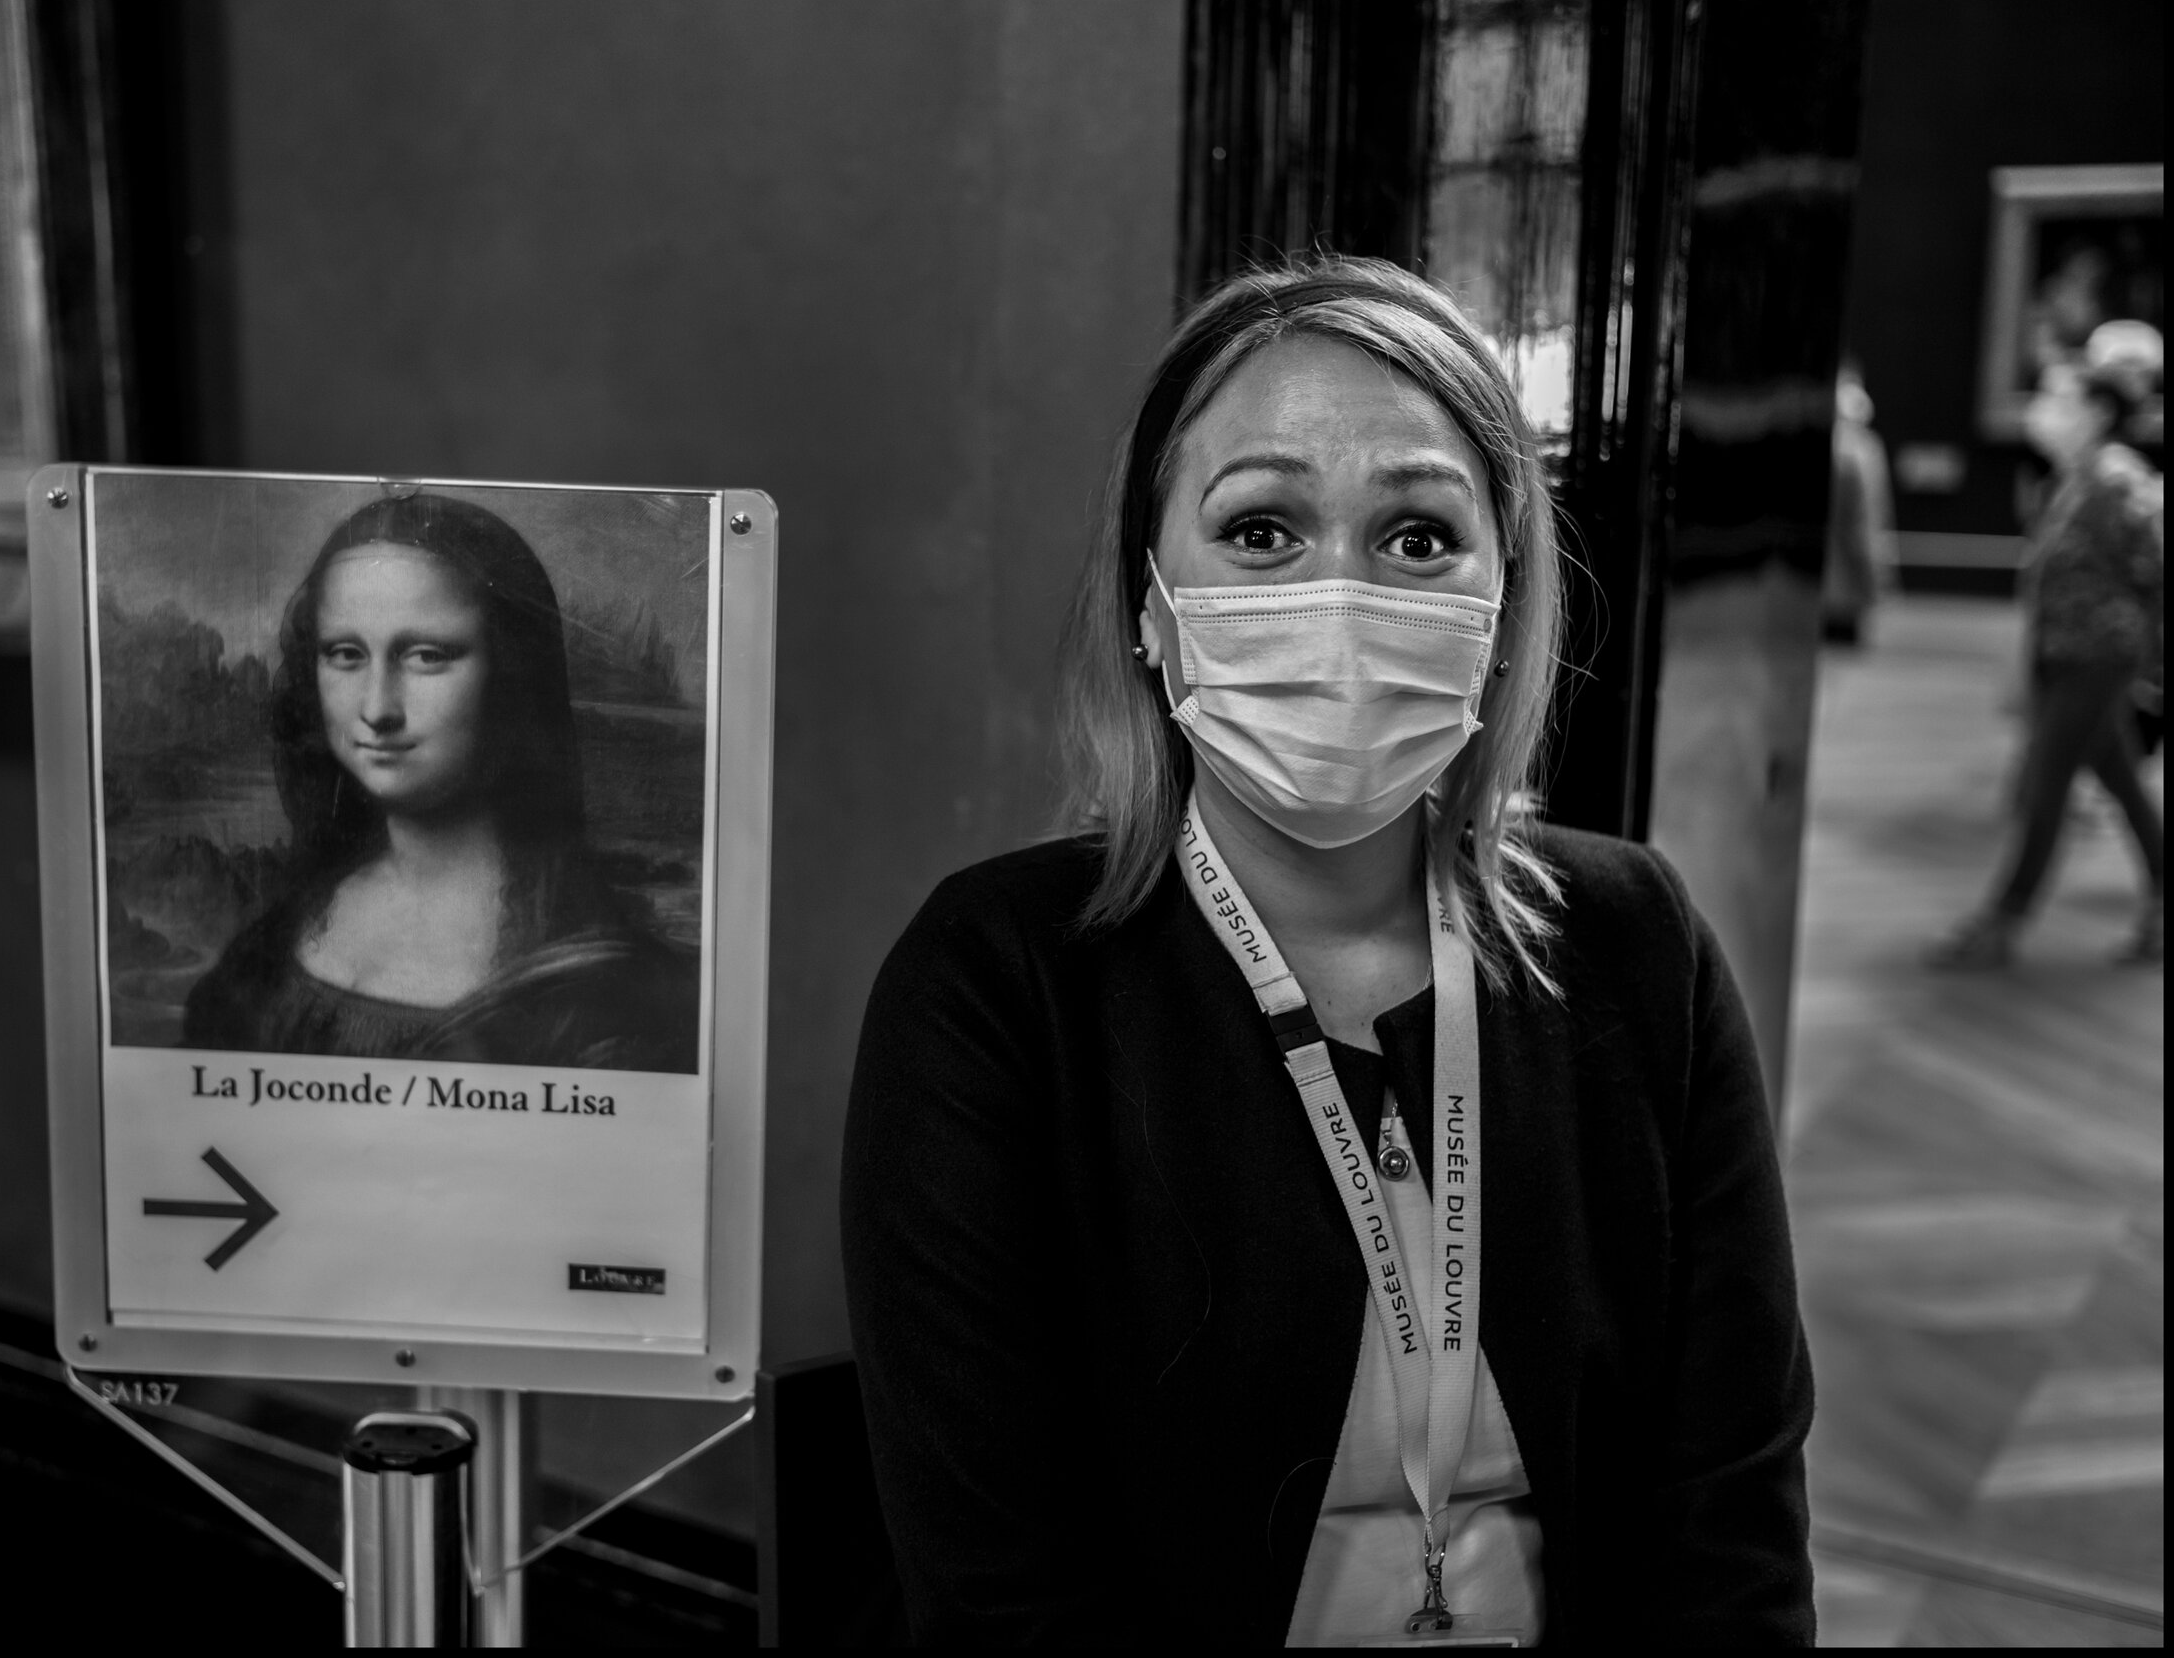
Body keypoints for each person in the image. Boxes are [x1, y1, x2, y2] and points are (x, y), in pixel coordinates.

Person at [843, 256, 1813, 1646]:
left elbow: (1734, 1531)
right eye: (1261, 531)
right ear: (1147, 600)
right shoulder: (992, 987)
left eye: (1418, 535)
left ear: (1500, 605)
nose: (1340, 599)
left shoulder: (1637, 947)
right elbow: (1003, 1595)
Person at [182, 492, 697, 1072]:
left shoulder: (606, 993)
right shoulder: (281, 936)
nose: (378, 708)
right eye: (346, 654)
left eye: (427, 655)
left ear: (512, 673)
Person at [1931, 320, 2166, 970]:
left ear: (2097, 412)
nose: (2045, 413)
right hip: (2067, 656)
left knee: (2046, 782)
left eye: (2060, 400)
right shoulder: (2074, 478)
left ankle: (2004, 919)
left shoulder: (2118, 479)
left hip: (2098, 660)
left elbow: (2157, 566)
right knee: (2120, 779)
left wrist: (2151, 659)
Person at [1822, 359, 1896, 646]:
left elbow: (1868, 520)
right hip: (1843, 582)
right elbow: (1864, 523)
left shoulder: (1860, 449)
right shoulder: (1857, 451)